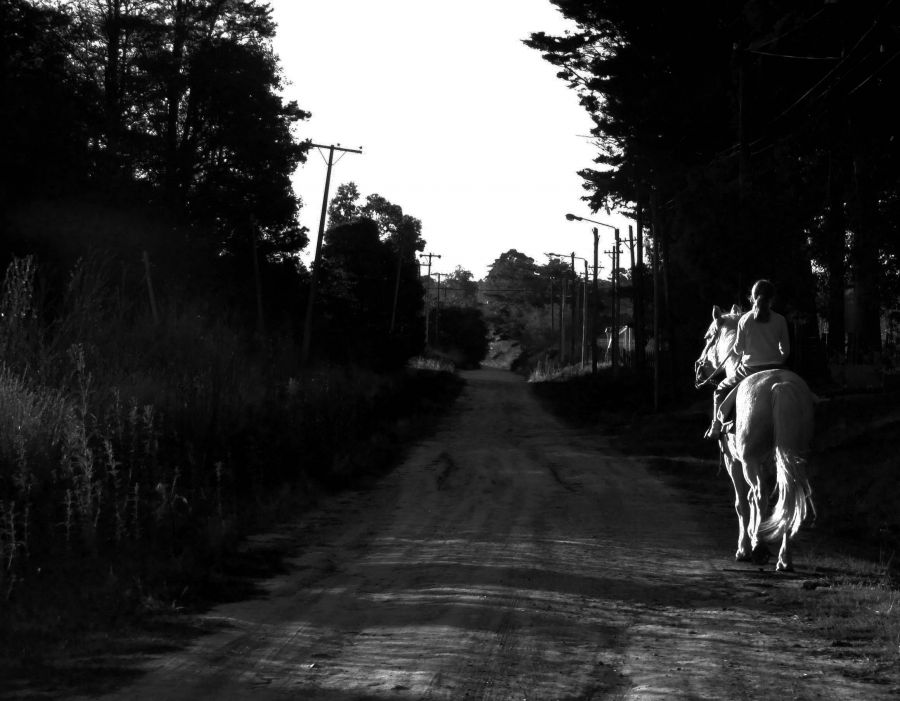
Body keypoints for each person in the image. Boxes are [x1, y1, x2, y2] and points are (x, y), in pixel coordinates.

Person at [705, 279, 791, 440]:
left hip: (749, 369)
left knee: (719, 390)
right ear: (772, 299)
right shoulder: (780, 320)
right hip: (777, 367)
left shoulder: (744, 320)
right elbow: (785, 351)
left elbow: (738, 349)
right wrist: (775, 360)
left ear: (752, 298)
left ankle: (716, 427)